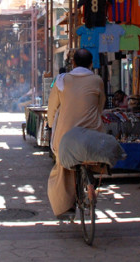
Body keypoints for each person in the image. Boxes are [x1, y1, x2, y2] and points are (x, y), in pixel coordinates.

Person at [46, 48, 106, 219]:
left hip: (67, 135)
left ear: (72, 63)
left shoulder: (61, 80)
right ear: (91, 64)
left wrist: (51, 125)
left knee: (62, 167)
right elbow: (100, 107)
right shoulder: (97, 80)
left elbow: (52, 108)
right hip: (93, 135)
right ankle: (90, 181)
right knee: (90, 158)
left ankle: (66, 205)